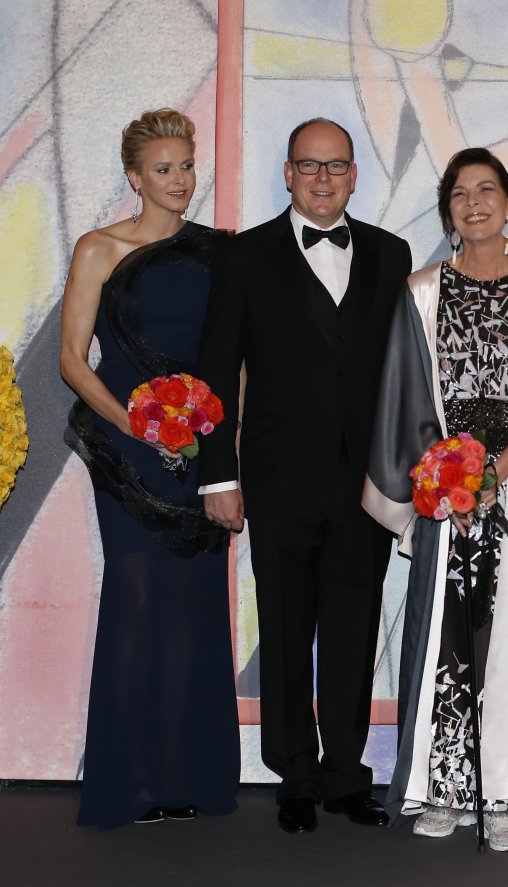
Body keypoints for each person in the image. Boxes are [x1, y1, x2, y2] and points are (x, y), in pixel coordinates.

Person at [363, 147, 508, 852]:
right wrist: (449, 477)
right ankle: (444, 786)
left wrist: (493, 470)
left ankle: (503, 793)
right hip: (445, 490)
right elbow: (403, 399)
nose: (475, 203)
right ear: (448, 212)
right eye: (461, 193)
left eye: (488, 190)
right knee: (445, 632)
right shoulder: (420, 292)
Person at [196, 117, 413, 834]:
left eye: (337, 166)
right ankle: (293, 773)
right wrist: (217, 476)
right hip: (279, 476)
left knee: (353, 628)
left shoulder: (391, 252)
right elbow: (218, 371)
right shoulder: (245, 256)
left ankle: (347, 774)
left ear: (354, 176)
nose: (323, 179)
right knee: (286, 629)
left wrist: (409, 466)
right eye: (309, 166)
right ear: (288, 173)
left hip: (366, 483)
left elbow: (403, 371)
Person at [60, 108, 239, 829]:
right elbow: (73, 361)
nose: (178, 181)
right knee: (134, 598)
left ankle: (184, 776)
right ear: (134, 177)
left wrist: (224, 455)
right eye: (163, 170)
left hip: (199, 450)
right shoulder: (98, 248)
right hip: (127, 451)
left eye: (186, 167)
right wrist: (135, 422)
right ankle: (125, 782)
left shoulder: (219, 253)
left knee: (192, 606)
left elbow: (235, 361)